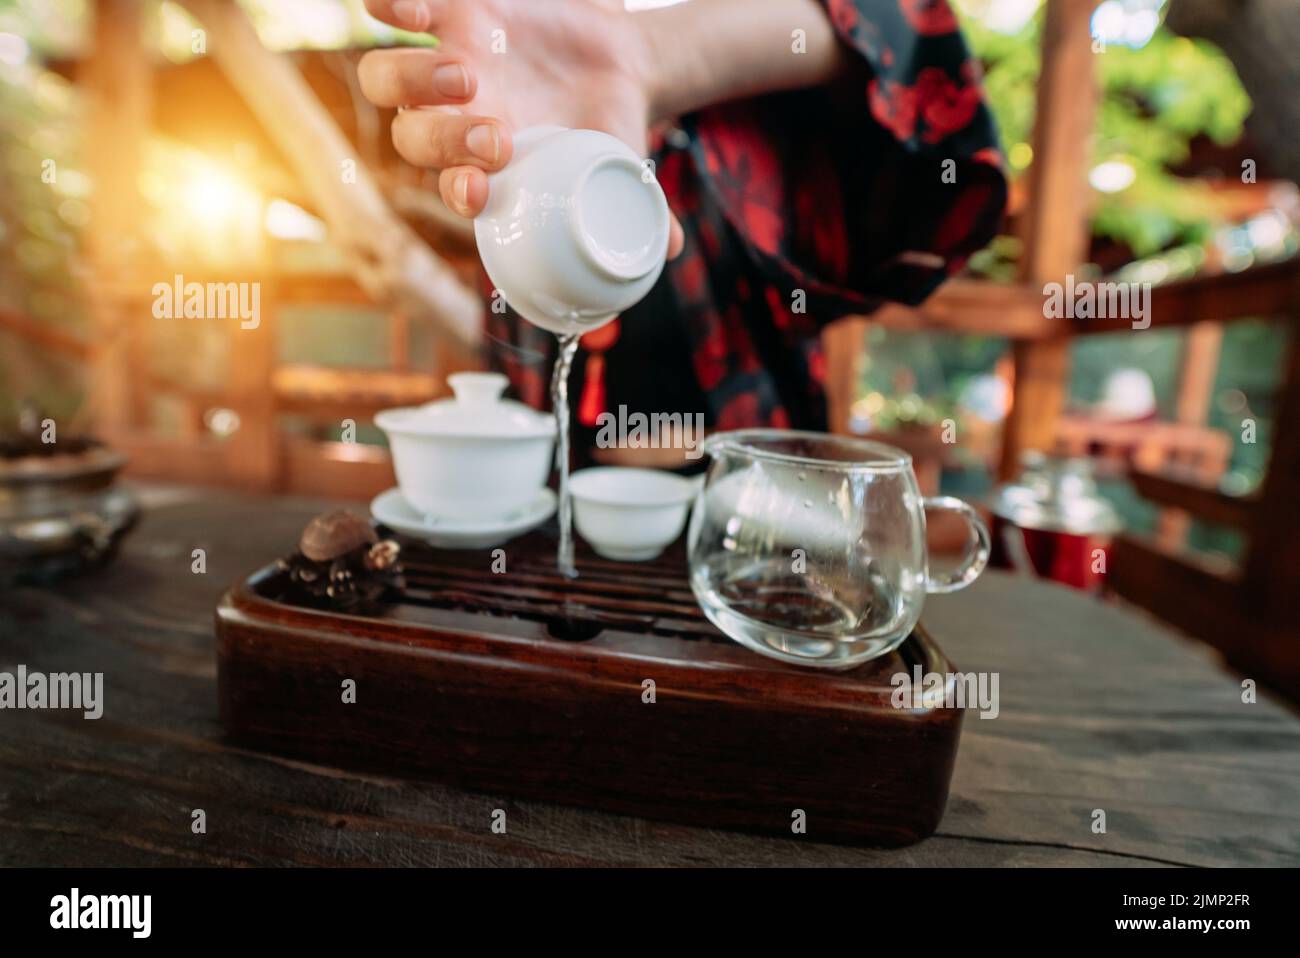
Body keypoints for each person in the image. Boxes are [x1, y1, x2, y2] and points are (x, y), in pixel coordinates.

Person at [358, 0, 1005, 469]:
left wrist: (647, 53)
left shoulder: (760, 155)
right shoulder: (527, 168)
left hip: (754, 545)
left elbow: (926, 77)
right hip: (552, 530)